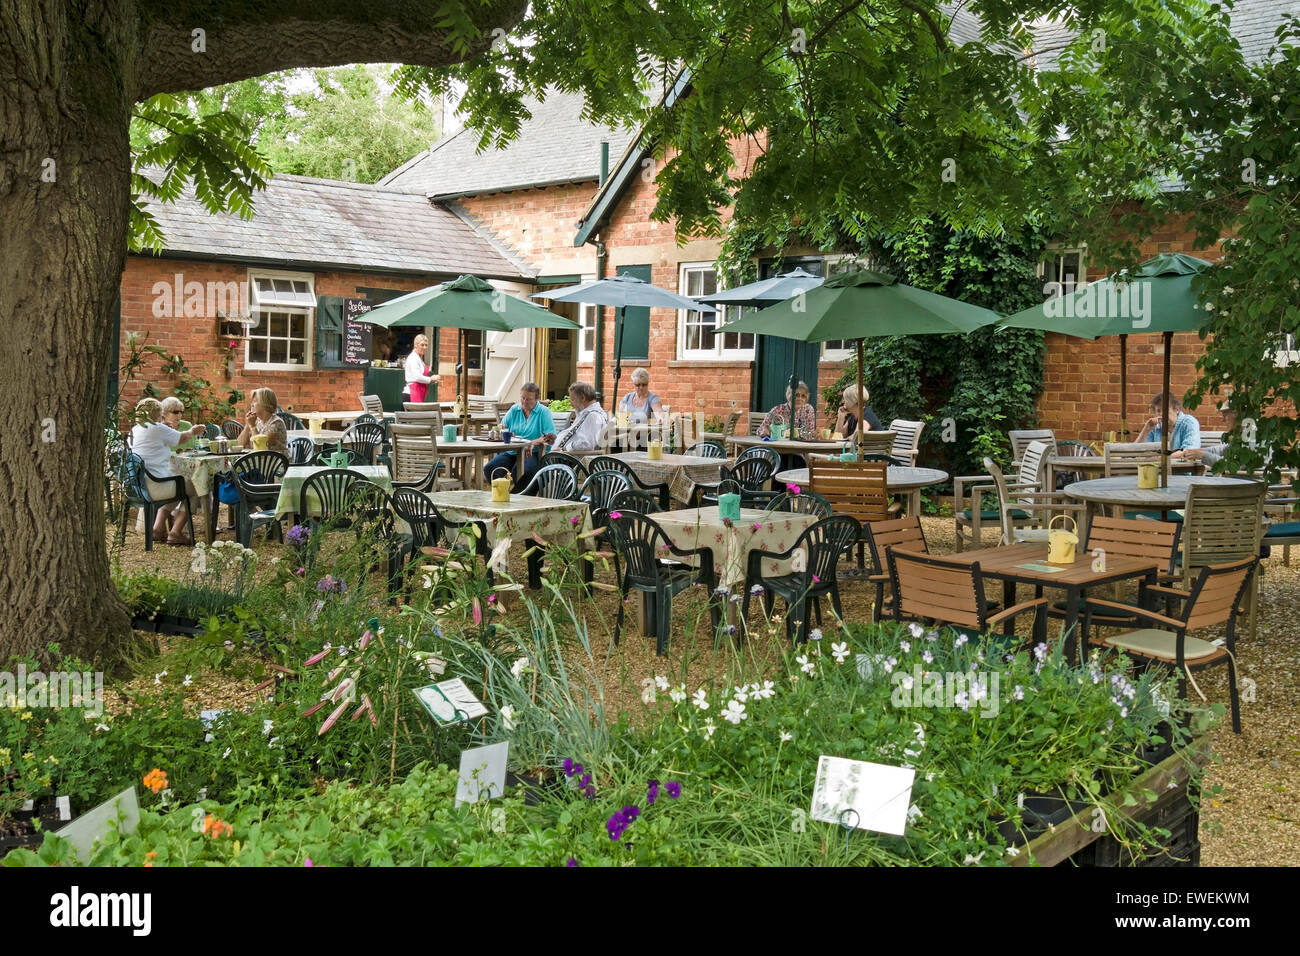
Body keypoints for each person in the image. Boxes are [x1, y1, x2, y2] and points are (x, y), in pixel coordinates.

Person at [130, 397, 206, 544]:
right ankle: (176, 532)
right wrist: (193, 431)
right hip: (155, 486)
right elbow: (182, 438)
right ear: (158, 414)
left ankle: (158, 528)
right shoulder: (157, 428)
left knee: (180, 484)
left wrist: (163, 427)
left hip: (141, 485)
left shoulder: (137, 428)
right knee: (196, 485)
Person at [484, 382, 555, 489]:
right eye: (522, 398)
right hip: (512, 451)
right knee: (490, 468)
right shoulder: (514, 410)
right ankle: (502, 495)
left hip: (532, 452)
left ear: (537, 399)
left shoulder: (544, 412)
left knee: (521, 472)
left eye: (529, 399)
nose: (524, 401)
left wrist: (532, 443)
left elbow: (550, 437)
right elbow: (502, 426)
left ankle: (517, 499)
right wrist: (503, 430)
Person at [551, 381, 608, 453]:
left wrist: (565, 448)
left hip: (570, 461)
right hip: (563, 457)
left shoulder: (593, 416)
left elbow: (586, 444)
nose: (571, 403)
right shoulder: (586, 414)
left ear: (582, 398)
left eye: (572, 399)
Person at [237, 387, 288, 455]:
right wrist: (247, 425)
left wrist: (252, 426)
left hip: (276, 462)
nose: (252, 405)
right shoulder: (257, 421)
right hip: (261, 461)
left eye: (255, 401)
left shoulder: (276, 422)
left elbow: (262, 449)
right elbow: (239, 445)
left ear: (264, 404)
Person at [403, 334, 433, 403]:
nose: (425, 347)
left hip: (418, 393)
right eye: (422, 345)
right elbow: (417, 377)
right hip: (412, 394)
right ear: (416, 345)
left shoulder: (419, 358)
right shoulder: (413, 358)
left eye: (426, 345)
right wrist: (431, 379)